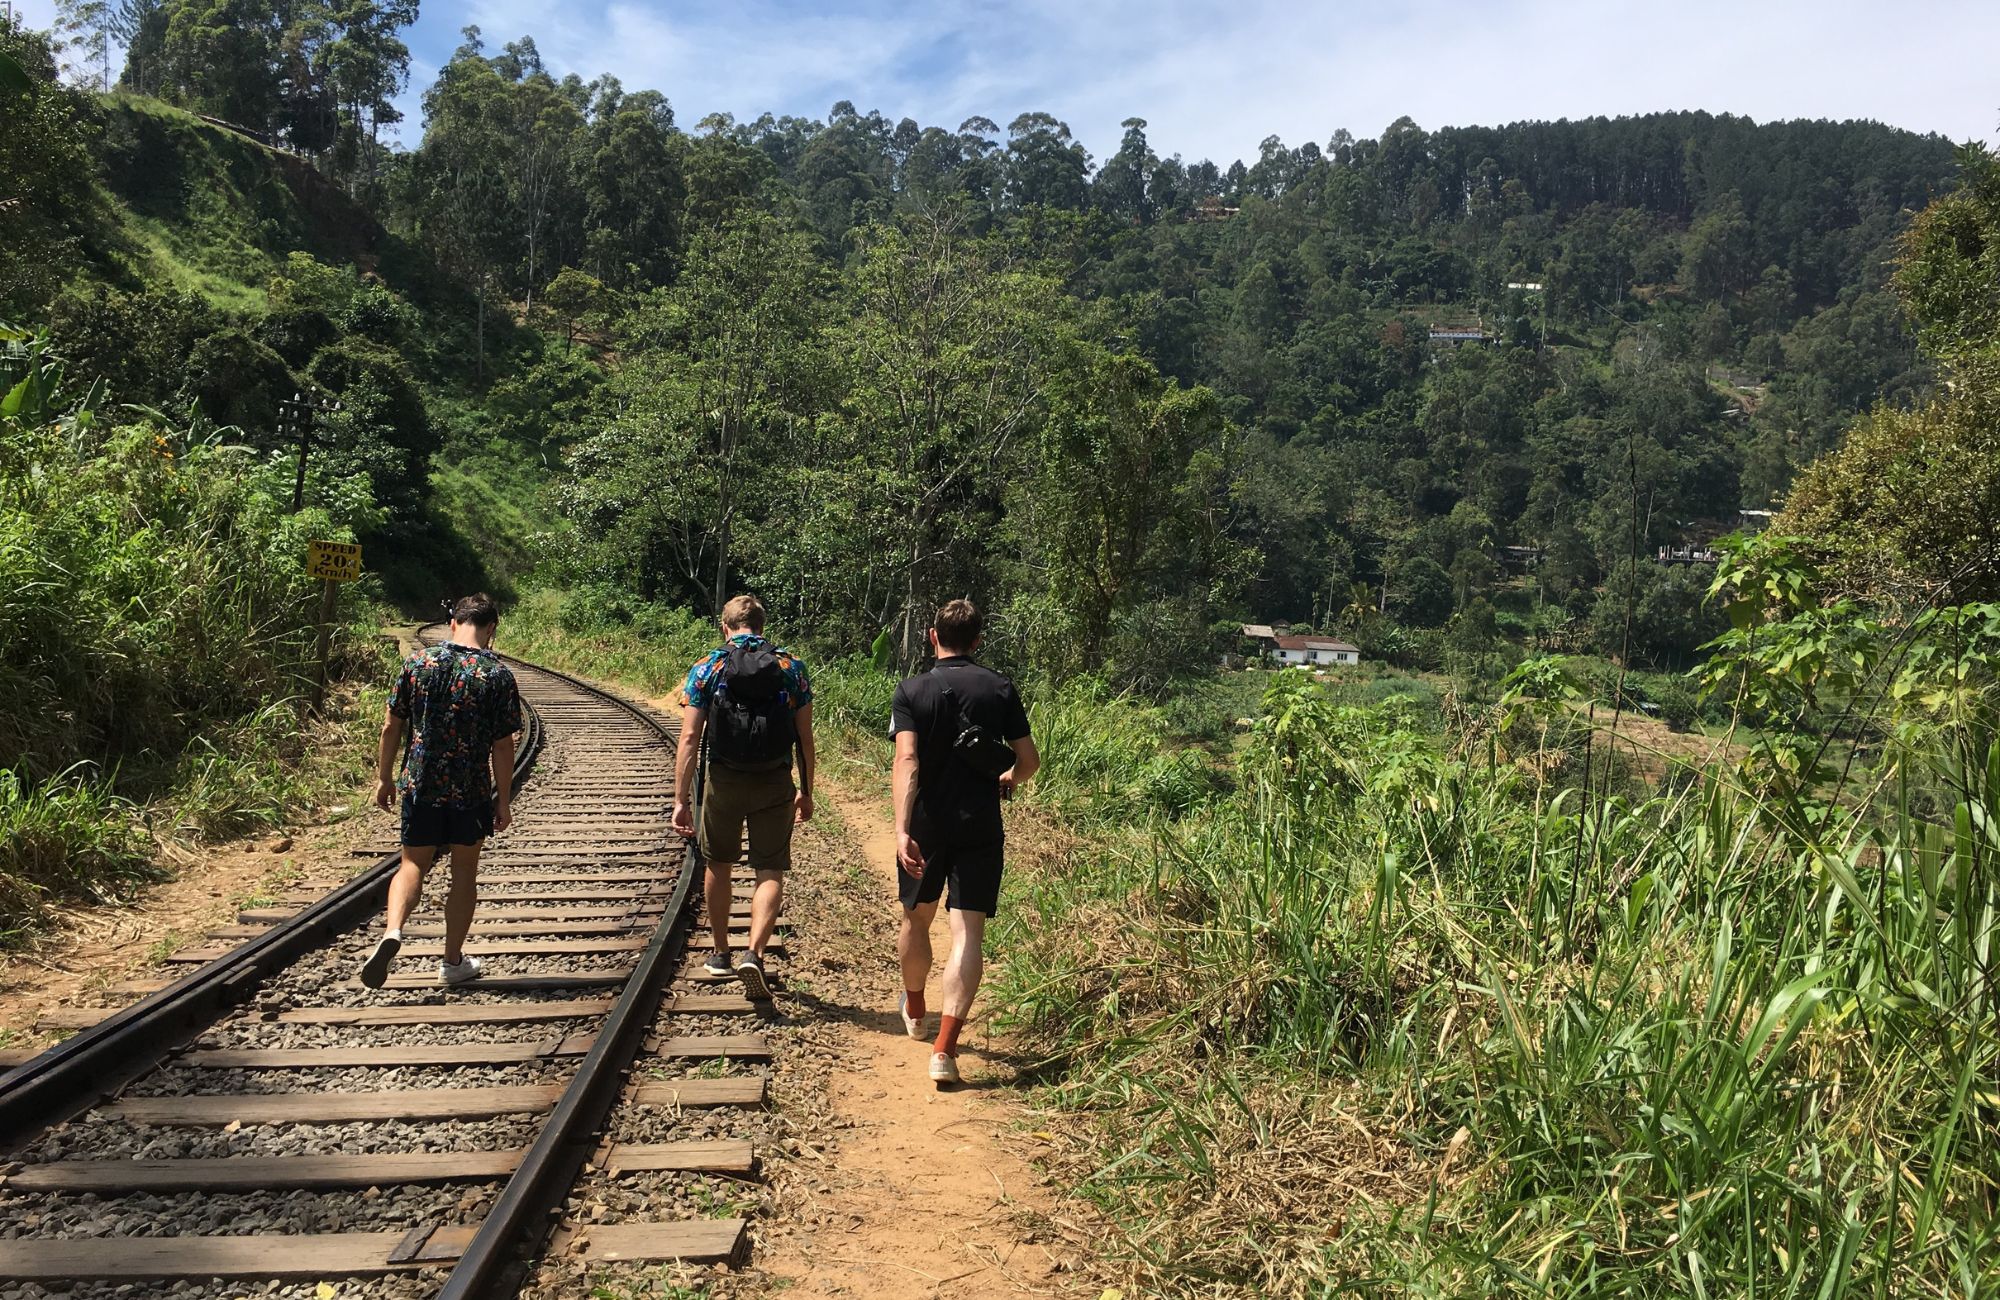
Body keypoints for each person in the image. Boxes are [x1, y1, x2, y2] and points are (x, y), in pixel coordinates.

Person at [890, 599, 1039, 1085]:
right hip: (979, 823)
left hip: (926, 823)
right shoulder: (999, 687)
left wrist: (901, 828)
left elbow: (907, 761)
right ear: (977, 641)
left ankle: (915, 1009)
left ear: (933, 636)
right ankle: (945, 1050)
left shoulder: (912, 690)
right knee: (967, 934)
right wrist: (1009, 779)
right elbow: (1029, 760)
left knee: (917, 915)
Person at [360, 593, 524, 989]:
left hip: (421, 785)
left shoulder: (418, 663)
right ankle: (452, 961)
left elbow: (391, 726)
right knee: (464, 871)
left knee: (411, 864)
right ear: (490, 629)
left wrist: (384, 778)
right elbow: (504, 746)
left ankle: (393, 931)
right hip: (469, 791)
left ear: (453, 623)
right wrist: (503, 799)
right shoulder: (497, 675)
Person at [672, 594, 815, 1001]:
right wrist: (806, 791)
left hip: (725, 778)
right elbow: (804, 739)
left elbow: (688, 738)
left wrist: (681, 798)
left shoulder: (708, 668)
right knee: (770, 869)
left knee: (718, 861)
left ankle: (720, 954)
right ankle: (754, 951)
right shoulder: (791, 668)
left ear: (725, 626)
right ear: (762, 627)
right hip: (774, 780)